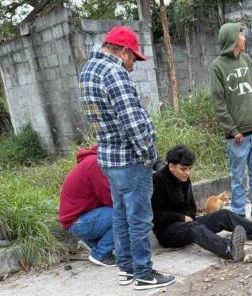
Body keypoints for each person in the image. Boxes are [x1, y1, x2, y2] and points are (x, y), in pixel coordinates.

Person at [78, 26, 175, 291]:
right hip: (130, 159)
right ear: (123, 52)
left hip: (109, 158)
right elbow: (132, 122)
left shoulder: (89, 70)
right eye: (133, 58)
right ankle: (143, 273)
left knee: (121, 216)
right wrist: (150, 156)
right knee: (140, 218)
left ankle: (126, 269)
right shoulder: (114, 72)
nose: (133, 66)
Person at [151, 145, 252, 261]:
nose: (188, 172)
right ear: (171, 166)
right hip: (168, 232)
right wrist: (180, 218)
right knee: (194, 228)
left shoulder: (184, 178)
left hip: (188, 223)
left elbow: (191, 206)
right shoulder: (157, 181)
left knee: (224, 214)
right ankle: (228, 248)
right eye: (184, 169)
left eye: (190, 168)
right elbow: (155, 216)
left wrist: (189, 216)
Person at [209, 23, 252, 221]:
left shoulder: (246, 59)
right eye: (241, 35)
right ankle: (238, 212)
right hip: (237, 136)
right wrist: (232, 130)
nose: (244, 38)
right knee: (238, 177)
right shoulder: (217, 67)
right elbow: (218, 103)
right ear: (232, 39)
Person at [59, 145, 115, 267]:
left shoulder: (90, 161)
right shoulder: (95, 163)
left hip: (77, 219)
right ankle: (101, 254)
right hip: (77, 222)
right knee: (125, 214)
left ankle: (94, 245)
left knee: (122, 211)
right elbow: (108, 197)